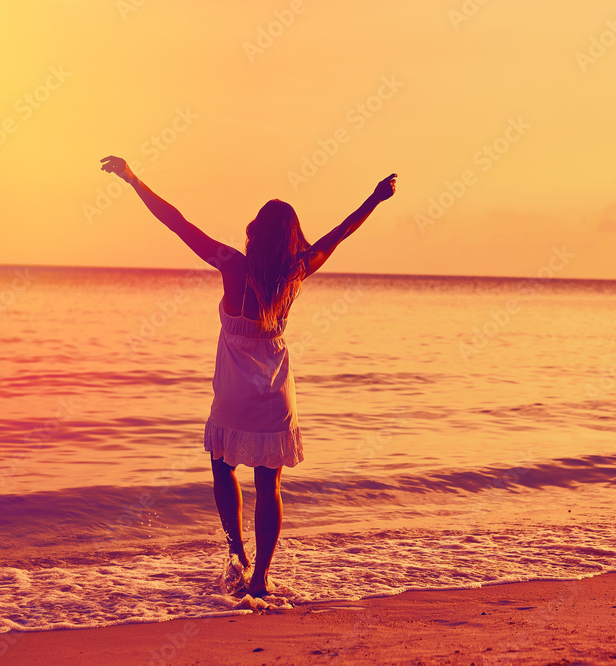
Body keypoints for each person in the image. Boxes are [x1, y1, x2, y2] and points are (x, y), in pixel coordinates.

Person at [100, 155, 397, 596]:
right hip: (276, 394)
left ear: (256, 230)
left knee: (223, 468)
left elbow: (177, 223)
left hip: (234, 395)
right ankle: (260, 578)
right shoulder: (297, 271)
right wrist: (375, 197)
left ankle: (237, 553)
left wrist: (133, 179)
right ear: (291, 236)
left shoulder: (232, 265)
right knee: (269, 484)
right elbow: (342, 232)